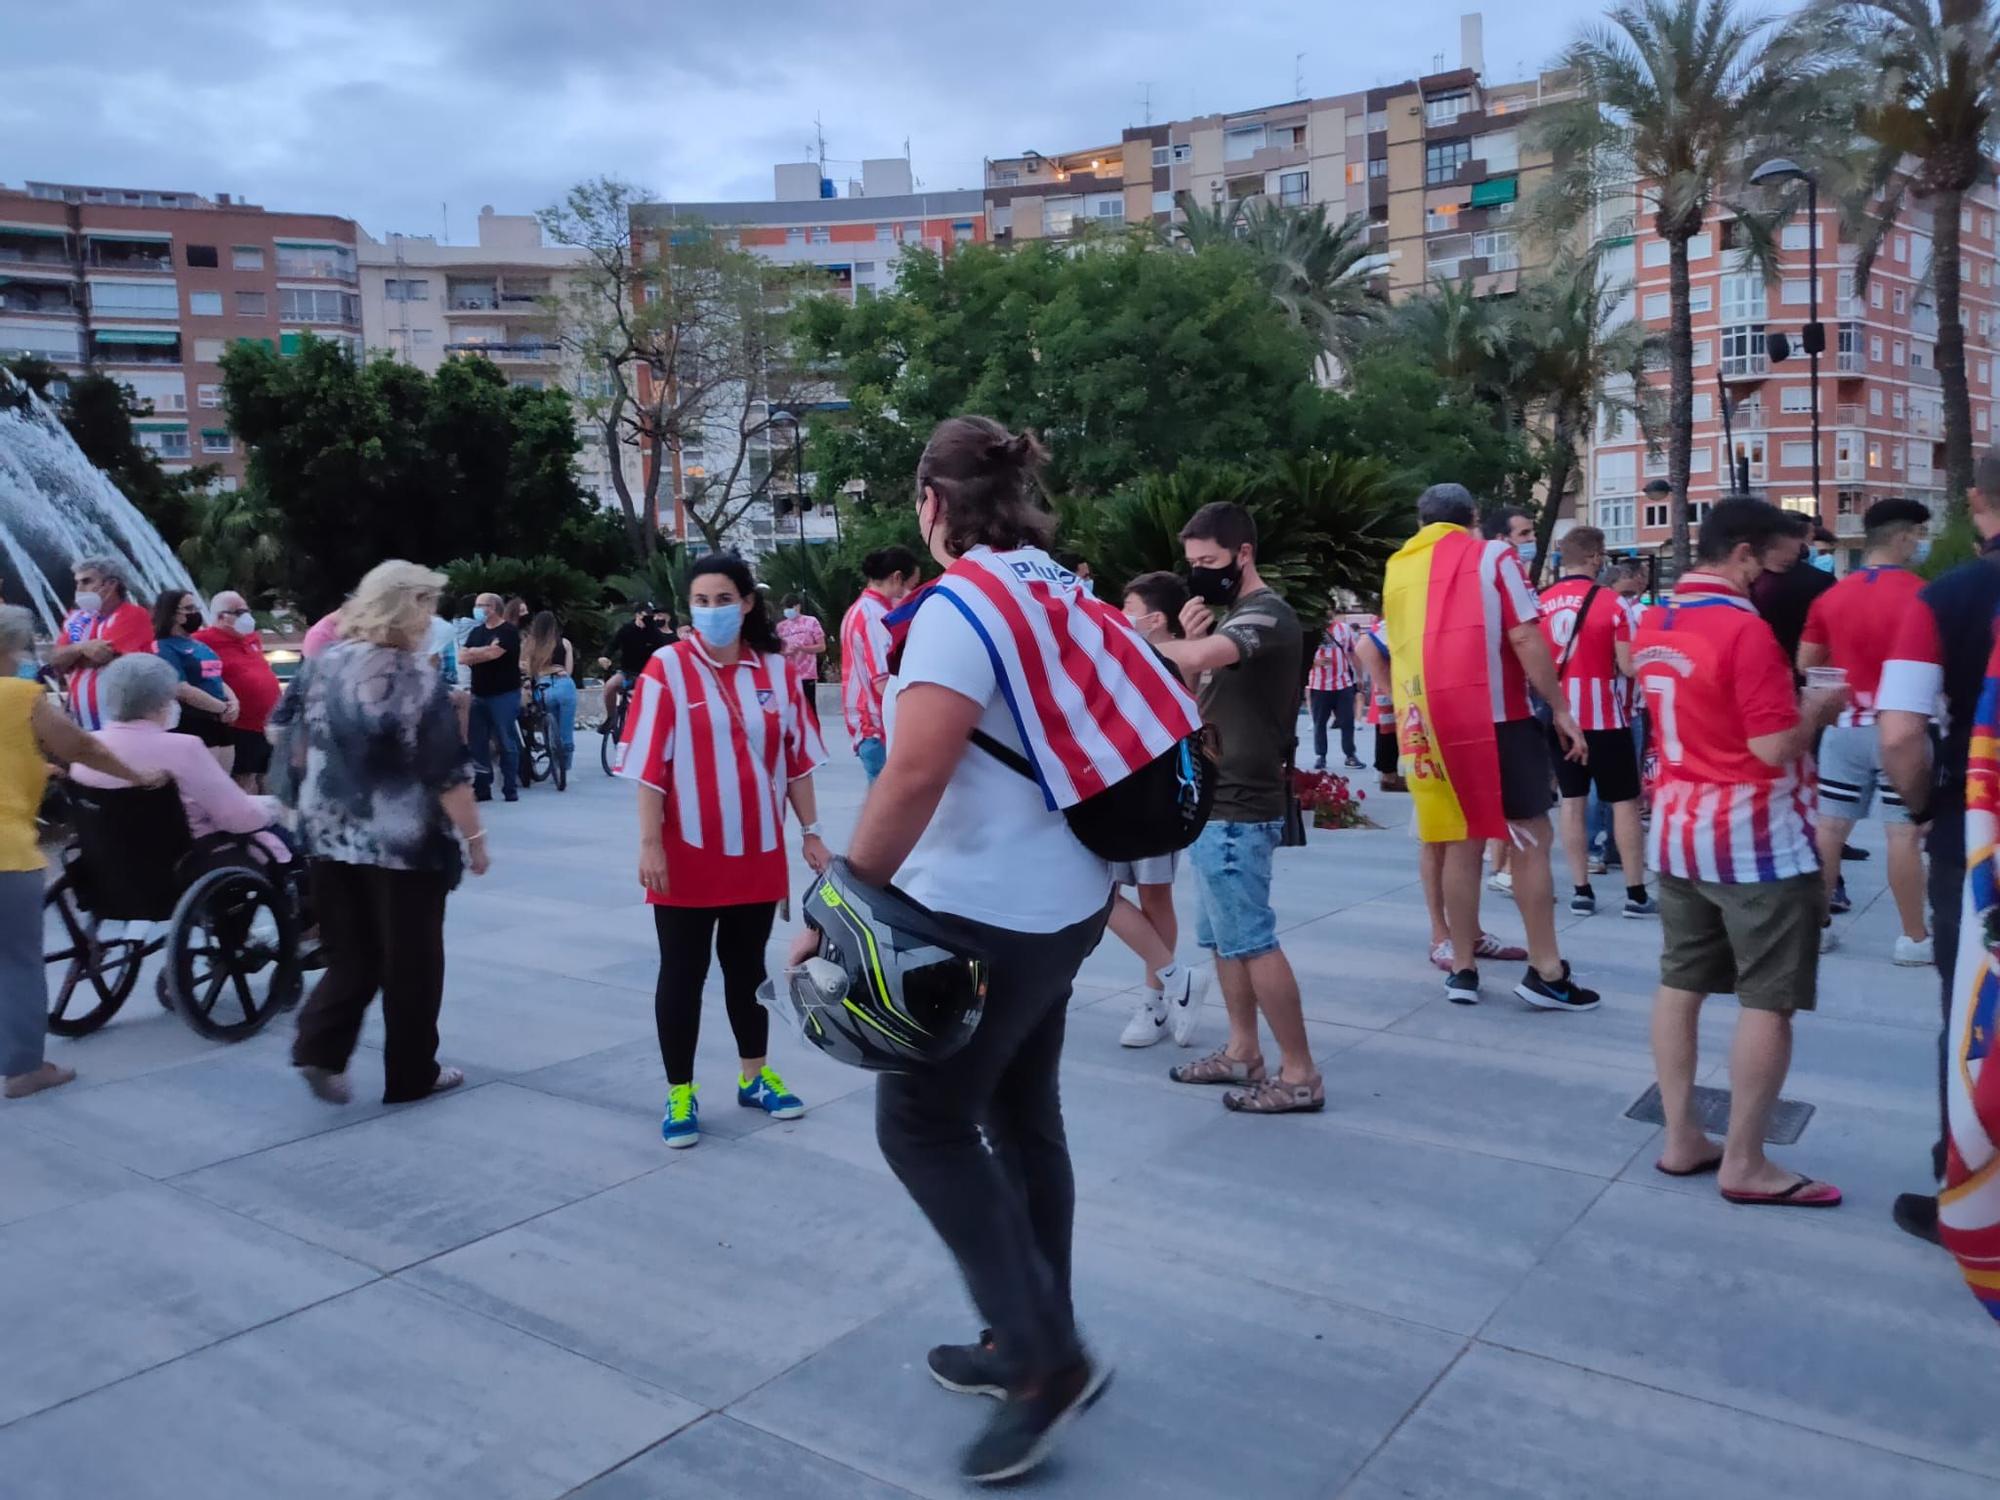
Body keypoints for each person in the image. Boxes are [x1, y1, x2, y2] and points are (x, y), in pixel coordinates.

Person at [791, 415, 1196, 1483]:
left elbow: (912, 774)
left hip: (986, 914)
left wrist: (839, 902)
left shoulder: (960, 607)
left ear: (931, 504)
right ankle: (1033, 1331)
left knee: (921, 1124)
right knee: (1021, 1117)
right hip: (1066, 901)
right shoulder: (1058, 584)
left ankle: (1041, 1360)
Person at [1636, 498, 1846, 1207]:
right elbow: (1770, 747)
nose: (1790, 565)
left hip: (1676, 826)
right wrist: (1816, 708)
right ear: (1745, 553)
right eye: (1782, 553)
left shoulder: (1657, 619)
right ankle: (1748, 1162)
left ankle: (1680, 1137)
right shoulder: (1743, 632)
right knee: (1769, 998)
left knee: (1681, 981)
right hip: (1753, 838)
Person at [620, 554, 829, 1148]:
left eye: (723, 600)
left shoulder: (779, 673)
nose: (712, 612)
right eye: (701, 602)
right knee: (681, 974)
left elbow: (797, 761)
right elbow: (649, 770)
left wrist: (810, 832)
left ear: (747, 603)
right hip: (683, 853)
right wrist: (649, 844)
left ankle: (754, 1077)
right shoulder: (667, 668)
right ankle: (680, 1091)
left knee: (746, 971)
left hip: (756, 851)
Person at [273, 561, 487, 1106]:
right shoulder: (413, 675)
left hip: (327, 833)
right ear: (406, 606)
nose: (432, 615)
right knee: (412, 961)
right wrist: (475, 838)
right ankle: (412, 1073)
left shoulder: (322, 664)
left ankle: (319, 1048)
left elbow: (283, 730)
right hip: (402, 843)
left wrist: (299, 799)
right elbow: (446, 769)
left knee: (352, 952)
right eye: (427, 603)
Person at [1382, 483, 1599, 1012]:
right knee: (1530, 838)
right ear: (1473, 517)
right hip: (1498, 720)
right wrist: (1562, 709)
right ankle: (1546, 970)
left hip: (1432, 725)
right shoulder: (1493, 556)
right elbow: (1525, 637)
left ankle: (1462, 966)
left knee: (1462, 842)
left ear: (1422, 520)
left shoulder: (1400, 568)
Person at [1155, 502, 1324, 1113]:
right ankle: (1243, 1052)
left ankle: (1299, 1073)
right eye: (1192, 562)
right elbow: (1195, 694)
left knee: (1251, 940)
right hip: (1214, 803)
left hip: (1240, 807)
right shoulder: (1229, 620)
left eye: (1209, 562)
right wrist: (1191, 642)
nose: (1199, 574)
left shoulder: (1266, 615)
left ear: (1242, 554)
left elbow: (1196, 661)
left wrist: (1162, 643)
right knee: (1223, 940)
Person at [1878, 445, 2000, 1245]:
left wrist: (1925, 805)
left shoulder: (1944, 598)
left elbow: (1900, 735)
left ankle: (1969, 1189)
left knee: (1974, 1018)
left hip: (1978, 837)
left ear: (1978, 502)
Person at [0, 606, 160, 1100]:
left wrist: (36, 769)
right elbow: (81, 748)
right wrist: (137, 778)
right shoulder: (20, 695)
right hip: (5, 853)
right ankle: (25, 1068)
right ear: (11, 647)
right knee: (17, 961)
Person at [1800, 498, 1932, 963]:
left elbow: (1806, 664)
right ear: (1901, 538)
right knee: (1902, 834)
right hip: (1903, 727)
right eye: (1916, 535)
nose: (1919, 543)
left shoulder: (1831, 597)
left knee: (1830, 827)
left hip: (1844, 727)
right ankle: (1914, 938)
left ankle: (1815, 928)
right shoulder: (1923, 594)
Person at [1109, 571, 1208, 1048]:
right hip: (1114, 790)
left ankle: (1155, 1001)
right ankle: (1176, 980)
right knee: (1099, 893)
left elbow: (1187, 705)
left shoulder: (1177, 659)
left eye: (1129, 608)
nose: (1122, 616)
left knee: (1154, 896)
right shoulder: (1124, 655)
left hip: (1155, 792)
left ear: (1155, 617)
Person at [69, 654, 291, 864]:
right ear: (162, 699)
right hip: (191, 859)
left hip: (116, 863)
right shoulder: (184, 747)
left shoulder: (86, 749)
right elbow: (241, 818)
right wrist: (275, 809)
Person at [1535, 527, 1652, 918]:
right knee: (1623, 803)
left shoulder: (1541, 603)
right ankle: (1635, 894)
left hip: (1560, 716)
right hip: (1607, 716)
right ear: (1597, 557)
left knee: (1571, 801)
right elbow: (1627, 665)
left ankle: (1581, 890)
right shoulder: (1613, 604)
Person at [840, 546, 920, 782]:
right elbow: (883, 683)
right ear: (897, 578)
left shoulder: (861, 610)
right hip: (878, 730)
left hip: (871, 731)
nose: (911, 593)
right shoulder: (874, 616)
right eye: (912, 586)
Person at [50, 556, 152, 731]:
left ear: (111, 584)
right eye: (77, 583)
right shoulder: (76, 618)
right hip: (83, 723)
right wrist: (81, 648)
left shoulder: (133, 614)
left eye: (87, 581)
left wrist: (70, 659)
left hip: (122, 723)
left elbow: (103, 657)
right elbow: (55, 661)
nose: (79, 588)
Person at [196, 591, 283, 792]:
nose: (247, 616)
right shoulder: (202, 641)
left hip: (268, 723)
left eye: (247, 610)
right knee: (242, 780)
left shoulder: (251, 638)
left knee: (270, 778)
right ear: (220, 617)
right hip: (241, 726)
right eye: (239, 612)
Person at [150, 588, 239, 770]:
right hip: (194, 720)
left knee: (223, 781)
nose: (195, 613)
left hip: (219, 720)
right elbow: (181, 688)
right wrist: (221, 707)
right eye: (189, 609)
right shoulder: (163, 647)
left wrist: (234, 701)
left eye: (195, 608)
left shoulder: (200, 646)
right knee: (203, 784)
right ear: (172, 614)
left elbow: (216, 677)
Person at [1750, 510, 1836, 672]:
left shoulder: (1748, 582)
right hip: (1805, 675)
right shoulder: (1821, 581)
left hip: (1760, 670)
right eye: (1810, 538)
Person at [459, 592, 522, 802]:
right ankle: (482, 788)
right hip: (479, 694)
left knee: (506, 741)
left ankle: (510, 787)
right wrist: (482, 651)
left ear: (493, 608)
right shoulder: (476, 632)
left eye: (480, 605)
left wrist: (476, 653)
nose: (476, 609)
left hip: (504, 694)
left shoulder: (509, 632)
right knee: (478, 744)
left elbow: (493, 655)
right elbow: (462, 657)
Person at [521, 610, 577, 775]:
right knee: (566, 730)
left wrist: (542, 670)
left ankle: (553, 762)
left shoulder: (531, 644)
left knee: (549, 727)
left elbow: (530, 671)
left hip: (543, 686)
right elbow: (569, 670)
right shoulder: (565, 643)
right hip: (564, 685)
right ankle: (565, 769)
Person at [1307, 610, 1362, 770]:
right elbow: (1301, 655)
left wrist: (1359, 676)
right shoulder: (1310, 630)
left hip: (1343, 684)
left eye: (1329, 609)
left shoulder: (1344, 629)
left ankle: (1350, 755)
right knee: (1319, 723)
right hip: (1319, 685)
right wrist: (1315, 661)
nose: (1327, 613)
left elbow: (1353, 653)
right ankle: (1321, 755)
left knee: (1347, 721)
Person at [601, 601, 669, 720]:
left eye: (651, 615)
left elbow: (662, 651)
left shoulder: (655, 632)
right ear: (638, 615)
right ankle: (610, 718)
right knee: (610, 686)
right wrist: (605, 657)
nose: (649, 617)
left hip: (646, 674)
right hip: (626, 671)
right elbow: (613, 644)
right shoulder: (626, 629)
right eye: (646, 614)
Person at [775, 593, 828, 734]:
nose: (788, 611)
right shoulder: (780, 627)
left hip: (807, 674)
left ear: (797, 606)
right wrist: (786, 652)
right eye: (785, 608)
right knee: (791, 709)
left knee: (810, 708)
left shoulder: (811, 622)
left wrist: (803, 649)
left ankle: (815, 737)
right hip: (788, 675)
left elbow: (822, 647)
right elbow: (776, 652)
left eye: (790, 607)